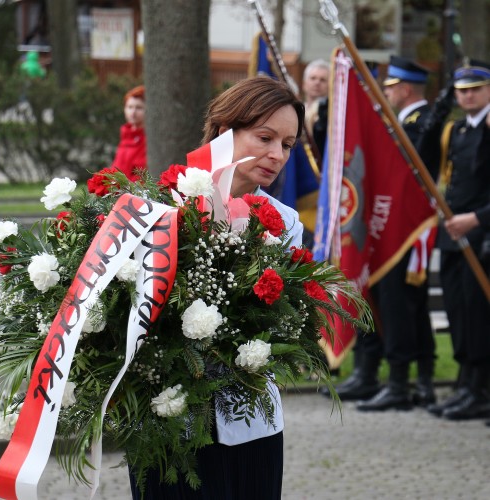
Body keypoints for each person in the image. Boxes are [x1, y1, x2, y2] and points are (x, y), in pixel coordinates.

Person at [129, 76, 305, 499]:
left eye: (287, 144)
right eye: (265, 137)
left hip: (251, 424)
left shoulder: (285, 223)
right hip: (169, 418)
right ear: (227, 129)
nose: (276, 154)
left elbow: (286, 320)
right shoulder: (161, 208)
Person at [356, 56, 440, 411]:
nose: (386, 93)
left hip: (408, 226)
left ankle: (404, 383)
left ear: (405, 90)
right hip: (395, 224)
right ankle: (415, 383)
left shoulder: (422, 123)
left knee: (400, 304)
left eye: (390, 88)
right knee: (400, 304)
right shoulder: (404, 121)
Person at [427, 59, 490, 421]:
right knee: (458, 310)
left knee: (478, 313)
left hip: (481, 234)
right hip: (454, 232)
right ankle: (465, 383)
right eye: (462, 92)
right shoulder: (458, 130)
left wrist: (477, 219)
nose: (467, 97)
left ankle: (479, 388)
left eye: (475, 90)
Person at [111, 85, 147, 181]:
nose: (133, 112)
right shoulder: (125, 136)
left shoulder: (148, 139)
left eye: (139, 108)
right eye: (129, 107)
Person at [302, 58, 330, 156]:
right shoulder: (294, 111)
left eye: (323, 80)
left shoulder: (332, 115)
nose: (317, 83)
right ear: (304, 84)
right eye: (313, 78)